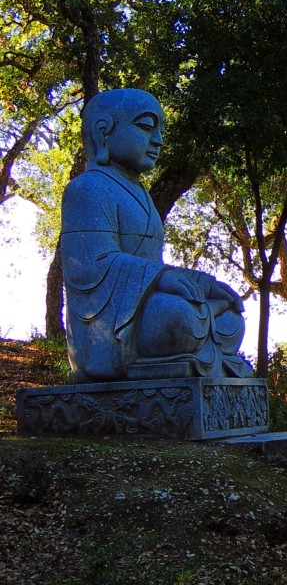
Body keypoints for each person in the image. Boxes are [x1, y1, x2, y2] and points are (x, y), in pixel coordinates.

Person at [61, 89, 252, 382]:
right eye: (146, 126)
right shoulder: (87, 188)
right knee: (180, 318)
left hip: (143, 308)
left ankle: (190, 347)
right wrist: (163, 278)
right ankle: (184, 347)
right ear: (103, 132)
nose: (158, 140)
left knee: (231, 320)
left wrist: (201, 285)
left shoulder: (141, 196)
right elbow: (91, 268)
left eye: (161, 130)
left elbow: (152, 265)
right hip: (112, 325)